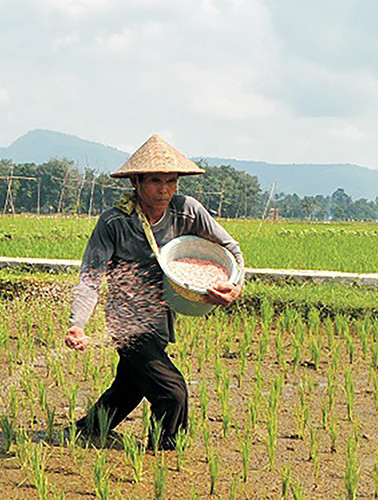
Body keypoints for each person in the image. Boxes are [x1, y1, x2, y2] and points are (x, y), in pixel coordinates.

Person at [64, 134, 244, 449]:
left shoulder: (186, 211)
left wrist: (235, 286)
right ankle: (165, 451)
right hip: (126, 321)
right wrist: (77, 324)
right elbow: (91, 276)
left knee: (130, 385)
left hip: (161, 317)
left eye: (171, 181)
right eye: (155, 181)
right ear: (136, 182)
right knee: (171, 391)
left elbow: (230, 249)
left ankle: (91, 427)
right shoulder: (115, 222)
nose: (164, 189)